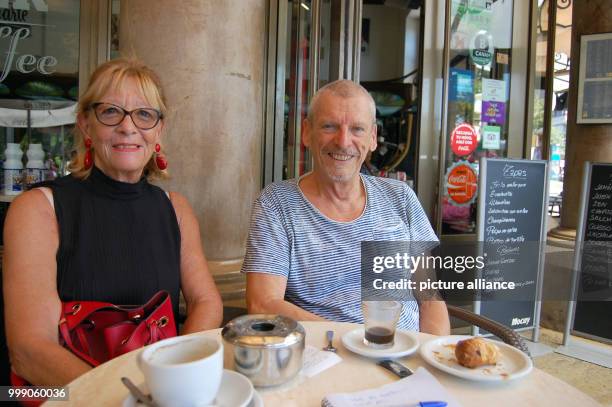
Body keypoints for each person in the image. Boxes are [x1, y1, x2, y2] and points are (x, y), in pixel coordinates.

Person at [2, 59, 223, 386]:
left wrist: (177, 374)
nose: (128, 127)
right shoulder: (37, 209)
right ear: (85, 124)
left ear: (158, 131)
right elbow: (28, 350)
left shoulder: (175, 209)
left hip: (156, 389)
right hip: (60, 394)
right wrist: (123, 398)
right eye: (110, 112)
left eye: (144, 115)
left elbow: (207, 302)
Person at [243, 80, 450, 335]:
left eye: (357, 129)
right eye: (329, 126)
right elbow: (262, 304)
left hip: (406, 358)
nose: (343, 141)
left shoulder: (401, 198)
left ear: (373, 137)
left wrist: (432, 357)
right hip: (327, 358)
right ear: (306, 132)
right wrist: (355, 342)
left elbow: (429, 296)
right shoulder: (277, 204)